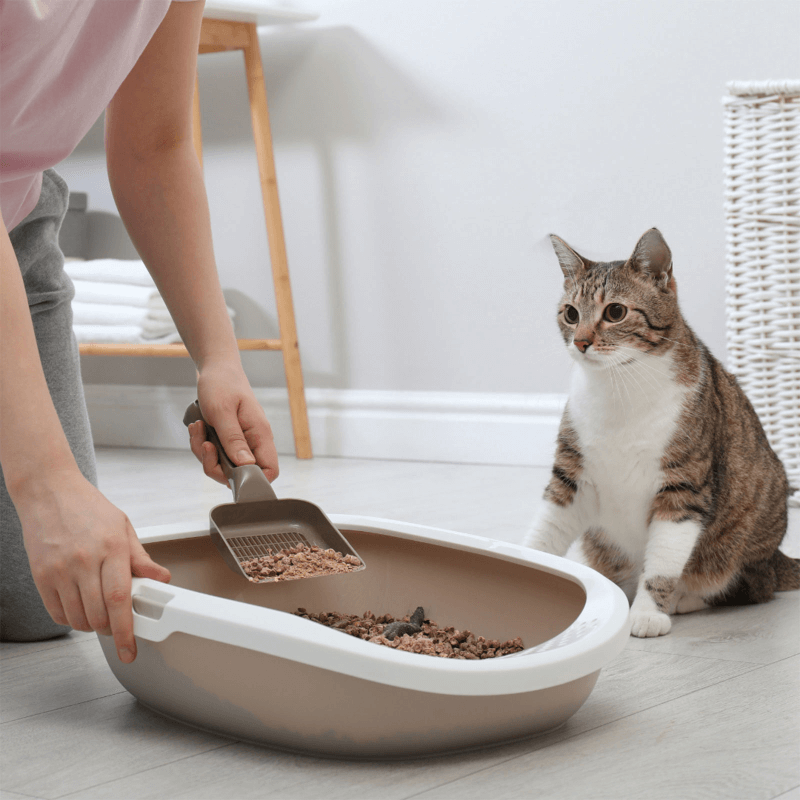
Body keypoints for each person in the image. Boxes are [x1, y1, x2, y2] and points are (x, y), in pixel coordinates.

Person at [0, 0, 280, 664]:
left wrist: (218, 359)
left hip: (17, 230)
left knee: (42, 602)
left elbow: (155, 146)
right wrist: (46, 481)